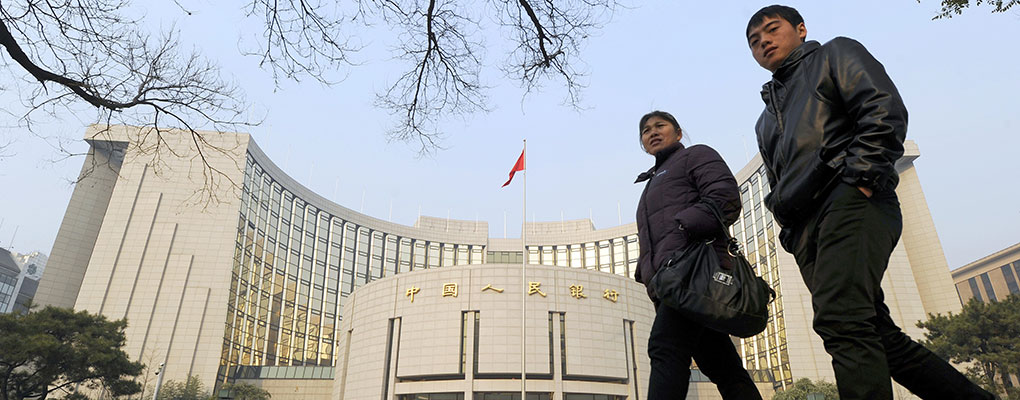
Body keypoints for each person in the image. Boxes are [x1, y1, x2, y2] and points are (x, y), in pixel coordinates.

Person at [745, 5, 994, 400]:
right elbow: (777, 181)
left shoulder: (835, 54)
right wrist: (791, 233)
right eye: (755, 41)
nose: (764, 43)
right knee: (874, 334)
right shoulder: (765, 120)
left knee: (842, 319)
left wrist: (861, 180)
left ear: (801, 29)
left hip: (849, 199)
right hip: (807, 230)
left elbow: (883, 110)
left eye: (772, 31)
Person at [633, 110, 762, 400]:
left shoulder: (696, 155)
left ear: (678, 133)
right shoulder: (651, 184)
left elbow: (725, 197)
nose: (652, 132)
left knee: (665, 347)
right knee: (723, 368)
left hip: (692, 273)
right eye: (645, 131)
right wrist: (644, 273)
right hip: (672, 281)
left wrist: (684, 227)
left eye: (659, 126)